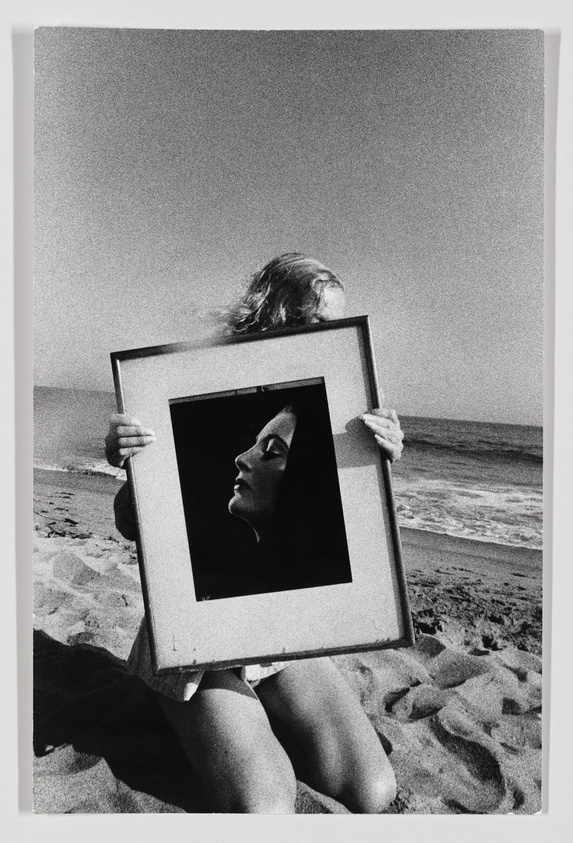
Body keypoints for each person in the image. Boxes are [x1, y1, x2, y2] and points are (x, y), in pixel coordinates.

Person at [106, 253, 404, 813]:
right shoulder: (191, 383)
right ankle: (177, 708)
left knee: (373, 789)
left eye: (338, 323)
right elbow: (129, 524)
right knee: (265, 806)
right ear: (272, 309)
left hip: (279, 629)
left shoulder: (331, 403)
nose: (331, 334)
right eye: (317, 320)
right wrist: (133, 467)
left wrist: (373, 463)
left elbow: (351, 538)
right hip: (198, 641)